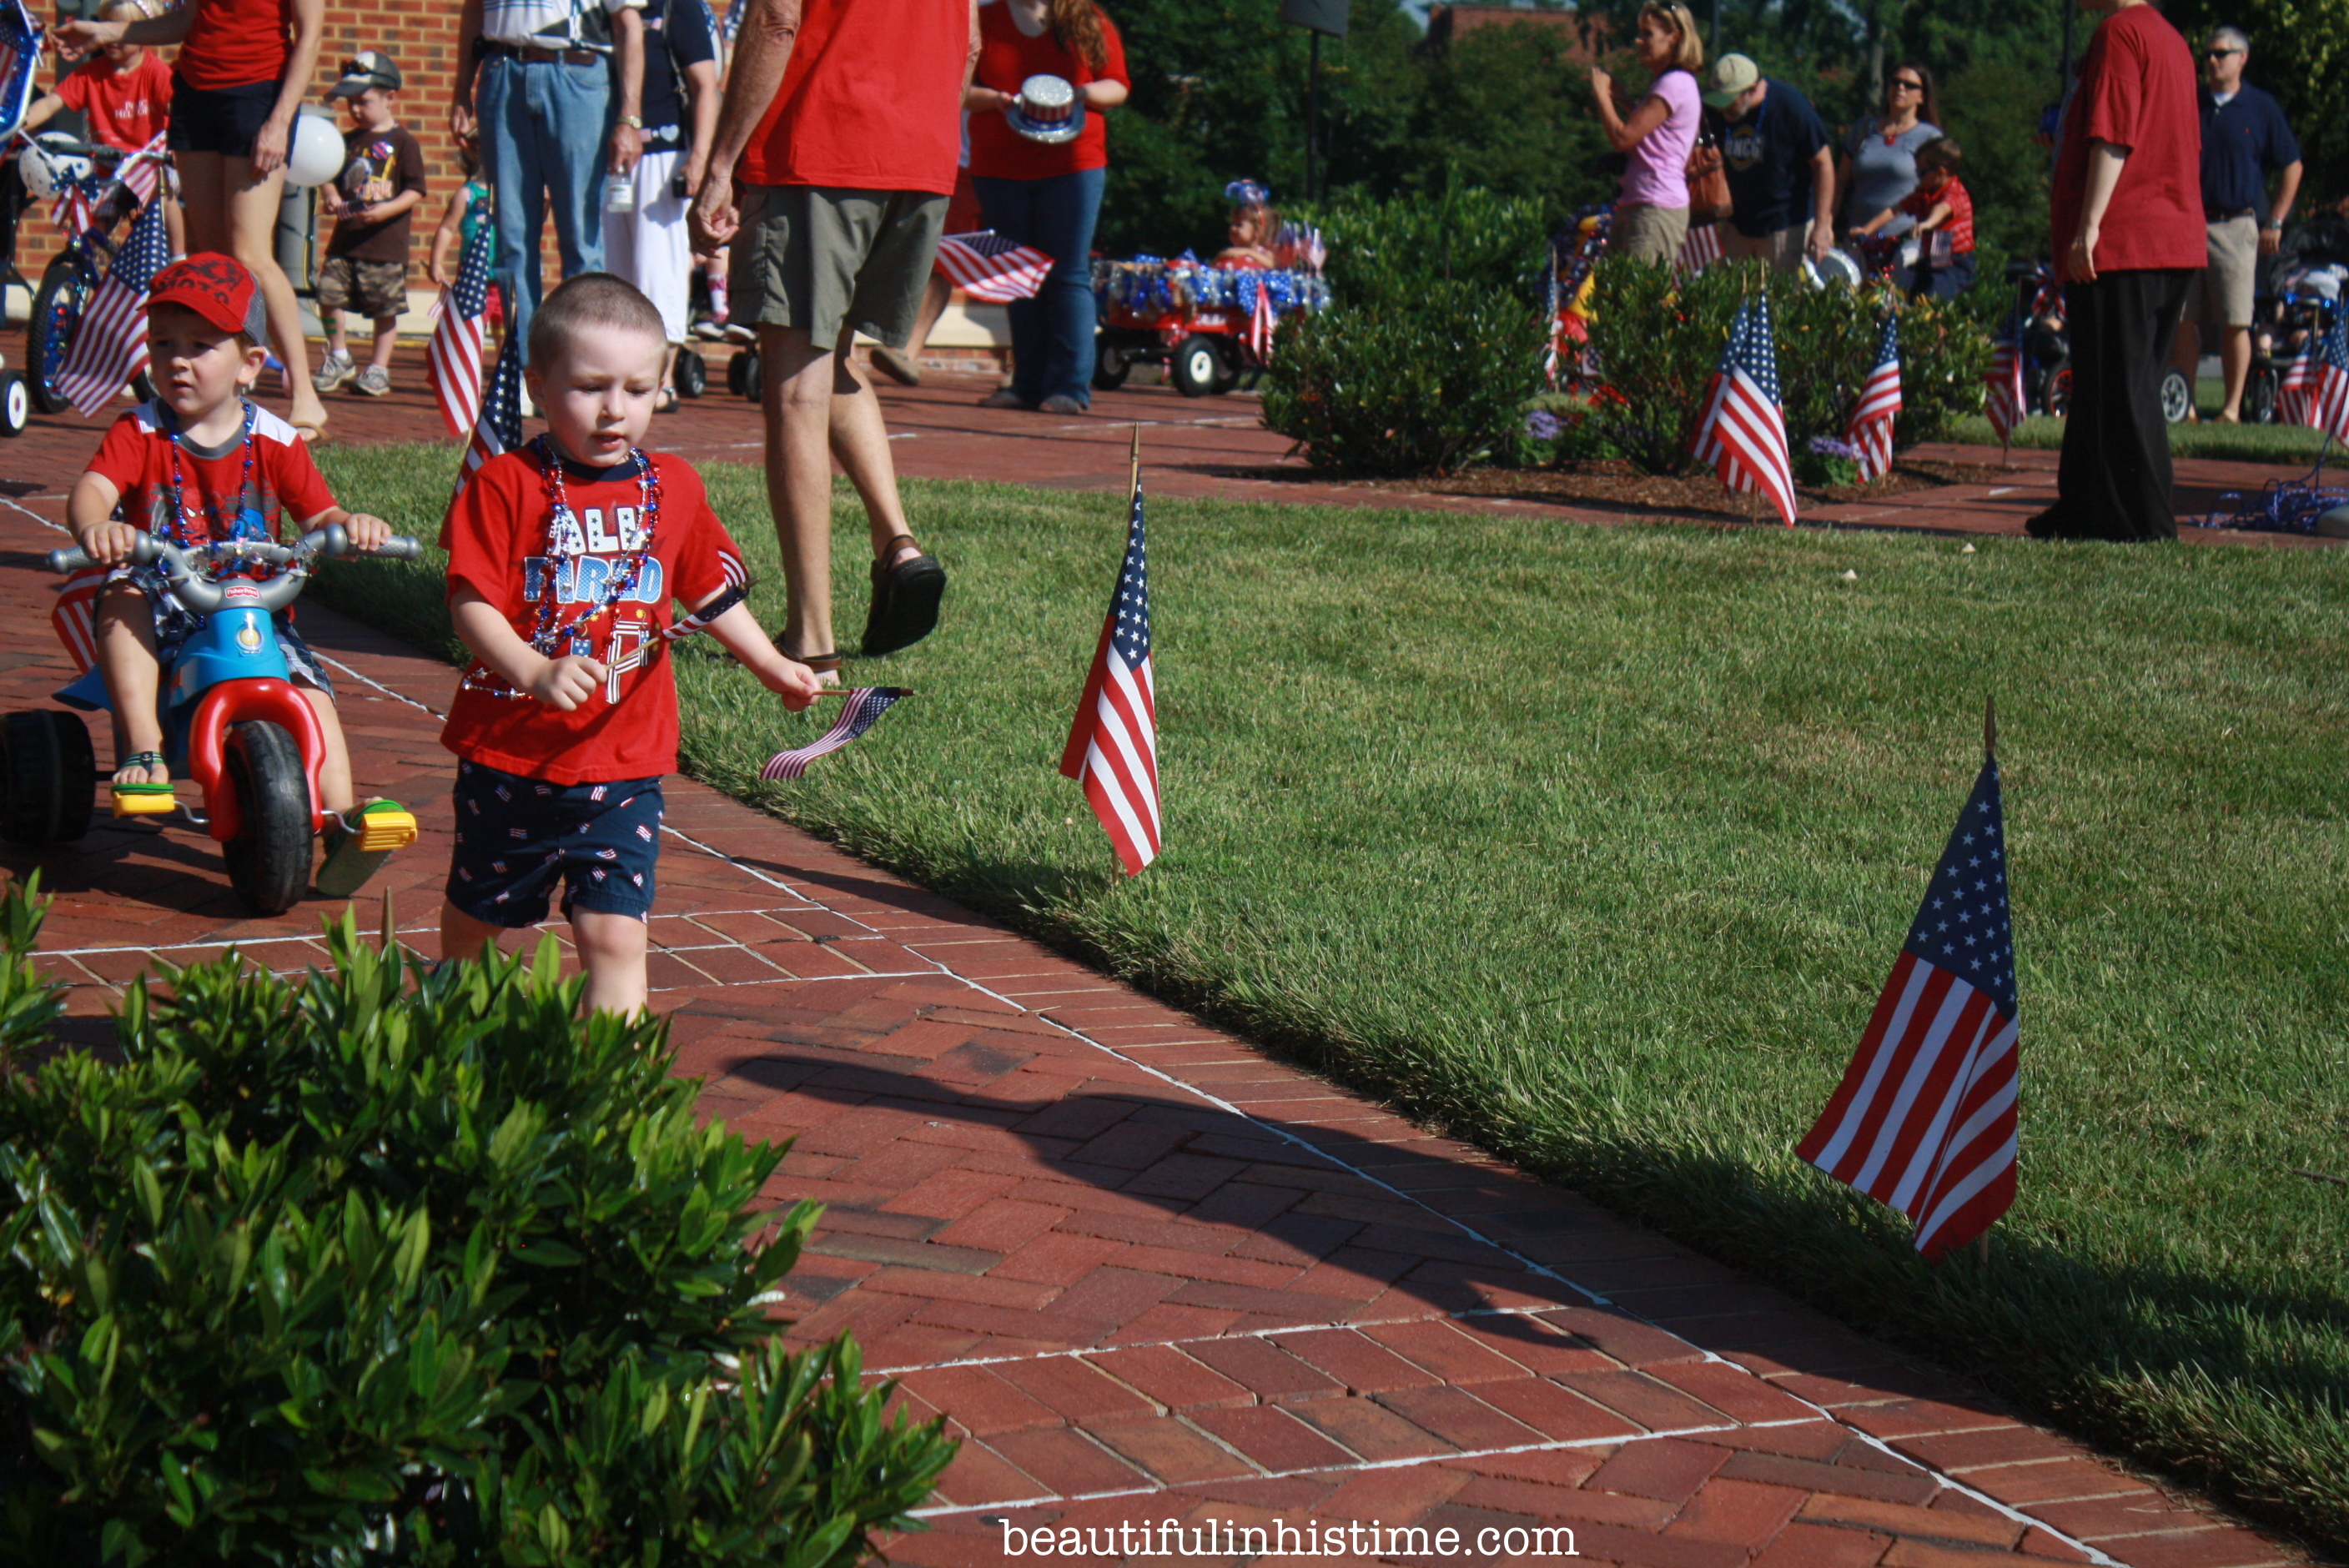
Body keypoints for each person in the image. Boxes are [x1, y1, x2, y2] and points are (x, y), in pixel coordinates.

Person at [435, 274, 822, 1018]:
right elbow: (469, 602)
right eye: (590, 387)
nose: (616, 409)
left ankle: (610, 1082)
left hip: (623, 762)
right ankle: (455, 1016)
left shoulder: (673, 486)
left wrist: (773, 666)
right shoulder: (505, 485)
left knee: (614, 933)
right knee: (482, 920)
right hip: (510, 757)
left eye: (639, 389)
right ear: (539, 386)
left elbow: (711, 594)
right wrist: (532, 668)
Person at [689, 0, 971, 682]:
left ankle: (811, 638)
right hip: (921, 154)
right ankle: (897, 542)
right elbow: (970, 46)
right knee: (836, 357)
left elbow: (777, 19)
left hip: (819, 143)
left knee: (794, 386)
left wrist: (722, 161)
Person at [63, 254, 390, 832]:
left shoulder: (276, 440)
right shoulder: (138, 430)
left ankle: (342, 815)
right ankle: (145, 746)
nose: (178, 362)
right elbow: (93, 490)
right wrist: (98, 526)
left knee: (310, 692)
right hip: (166, 602)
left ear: (250, 364)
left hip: (254, 610)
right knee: (121, 596)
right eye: (163, 344)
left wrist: (349, 527)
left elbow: (322, 513)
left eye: (201, 345)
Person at [60, 0, 335, 440]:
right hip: (195, 94)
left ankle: (305, 396)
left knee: (250, 254)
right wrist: (109, 33)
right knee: (212, 257)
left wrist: (280, 121)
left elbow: (310, 35)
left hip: (259, 95)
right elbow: (191, 19)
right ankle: (222, 394)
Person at [2025, 0, 2201, 542]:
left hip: (2127, 235)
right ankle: (2083, 505)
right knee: (2106, 379)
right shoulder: (2171, 40)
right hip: (2173, 233)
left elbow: (2114, 133)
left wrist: (2089, 225)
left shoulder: (2118, 33)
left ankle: (2145, 524)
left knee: (2125, 385)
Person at [450, 0, 646, 349]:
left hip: (577, 72)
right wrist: (462, 88)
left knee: (581, 239)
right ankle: (525, 370)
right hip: (502, 70)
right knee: (511, 239)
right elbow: (474, 11)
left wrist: (629, 118)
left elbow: (628, 25)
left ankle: (580, 362)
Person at [963, 0, 1128, 413]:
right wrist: (999, 99)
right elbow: (957, 89)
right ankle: (1027, 383)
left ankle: (1070, 387)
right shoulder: (985, 20)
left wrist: (1077, 93)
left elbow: (1117, 85)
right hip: (999, 165)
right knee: (1019, 273)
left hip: (1073, 164)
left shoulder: (1086, 17)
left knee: (1068, 271)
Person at [2170, 26, 2301, 424]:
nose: (2212, 60)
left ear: (2242, 58)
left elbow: (2291, 165)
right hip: (2189, 223)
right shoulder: (2193, 105)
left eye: (2221, 53)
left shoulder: (2261, 107)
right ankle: (2185, 406)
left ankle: (2230, 409)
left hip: (2236, 225)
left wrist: (2275, 221)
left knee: (2235, 320)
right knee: (2183, 319)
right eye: (2208, 54)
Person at [603, 0, 719, 410]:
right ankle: (620, 373)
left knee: (658, 272)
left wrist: (700, 157)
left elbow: (706, 85)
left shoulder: (677, 7)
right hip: (613, 161)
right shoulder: (606, 9)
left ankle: (662, 378)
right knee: (615, 272)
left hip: (664, 156)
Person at [19, 0, 184, 254]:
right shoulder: (91, 74)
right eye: (107, 26)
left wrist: (176, 146)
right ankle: (84, 269)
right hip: (108, 170)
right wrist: (15, 124)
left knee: (166, 190)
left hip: (147, 167)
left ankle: (177, 257)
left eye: (122, 29)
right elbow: (51, 104)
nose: (112, 37)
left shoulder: (156, 73)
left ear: (143, 33)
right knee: (90, 224)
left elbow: (176, 113)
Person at [311, 53, 427, 399]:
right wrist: (331, 195)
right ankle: (339, 355)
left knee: (385, 309)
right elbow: (326, 176)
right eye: (351, 103)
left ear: (390, 98)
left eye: (364, 101)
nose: (356, 110)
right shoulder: (345, 142)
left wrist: (386, 210)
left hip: (384, 244)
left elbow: (415, 189)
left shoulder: (404, 143)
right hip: (345, 242)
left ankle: (378, 368)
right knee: (327, 295)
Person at [1587, 0, 1702, 264]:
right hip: (1641, 201)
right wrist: (1624, 100)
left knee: (1639, 297)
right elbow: (1657, 132)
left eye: (1648, 34)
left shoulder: (1673, 84)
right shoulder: (1670, 83)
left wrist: (1601, 95)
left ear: (1674, 37)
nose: (1639, 41)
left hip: (1655, 206)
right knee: (1612, 295)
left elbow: (1623, 138)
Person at [1702, 53, 1833, 274]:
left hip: (1786, 224)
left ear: (1751, 90)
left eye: (1728, 103)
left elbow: (1824, 164)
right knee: (1729, 298)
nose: (1722, 110)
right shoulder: (1717, 112)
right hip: (1738, 223)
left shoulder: (1791, 107)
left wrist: (1822, 227)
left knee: (1781, 300)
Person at [1857, 134, 1974, 298]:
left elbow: (1943, 209)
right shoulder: (1924, 193)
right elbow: (1895, 210)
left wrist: (1927, 224)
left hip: (1955, 261)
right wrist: (1865, 230)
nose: (1917, 177)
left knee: (1933, 297)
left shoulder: (1955, 192)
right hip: (1936, 253)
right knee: (1901, 283)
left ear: (1940, 172)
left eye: (1921, 172)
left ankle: (1933, 317)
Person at [1834, 60, 1940, 238]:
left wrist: (1939, 256)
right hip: (1858, 238)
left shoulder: (1930, 137)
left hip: (1905, 243)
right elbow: (1840, 183)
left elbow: (1944, 194)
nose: (1900, 88)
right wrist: (1825, 226)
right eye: (1895, 82)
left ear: (1922, 96)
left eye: (1909, 85)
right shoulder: (1864, 128)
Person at [1215, 181, 1276, 268]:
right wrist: (1220, 257)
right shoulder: (1230, 251)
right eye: (1232, 224)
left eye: (1239, 225)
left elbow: (1271, 265)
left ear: (1256, 231)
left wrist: (1248, 252)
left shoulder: (1263, 253)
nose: (1232, 228)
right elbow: (1212, 267)